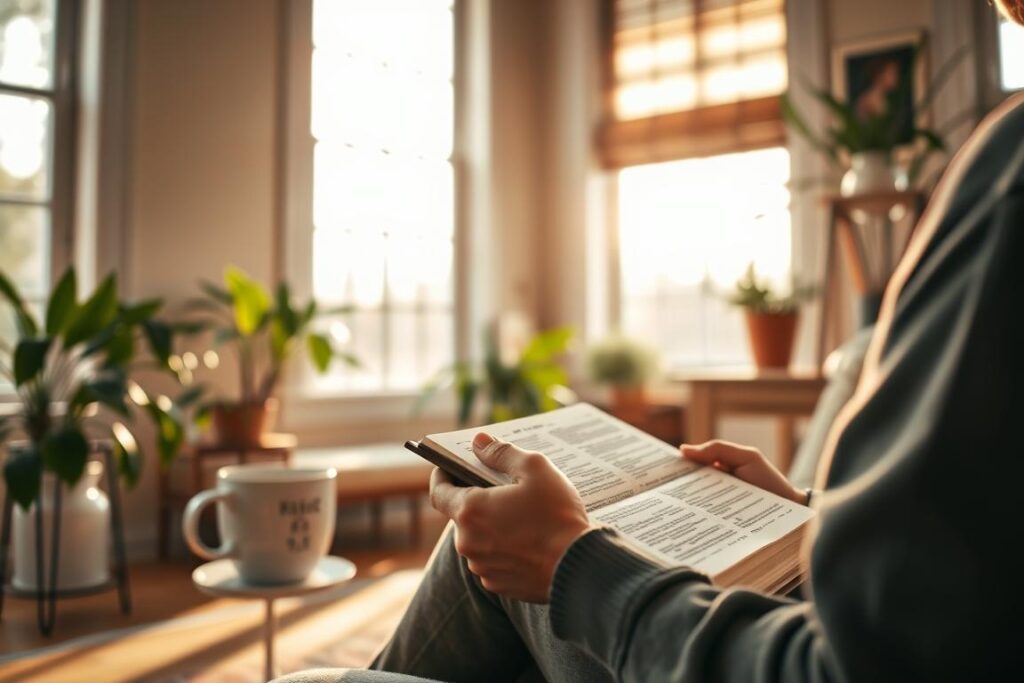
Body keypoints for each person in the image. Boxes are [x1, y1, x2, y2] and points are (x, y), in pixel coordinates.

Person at [278, 2, 1024, 680]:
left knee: (479, 548)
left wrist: (574, 564)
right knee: (506, 535)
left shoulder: (1009, 169)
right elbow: (960, 567)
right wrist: (802, 504)